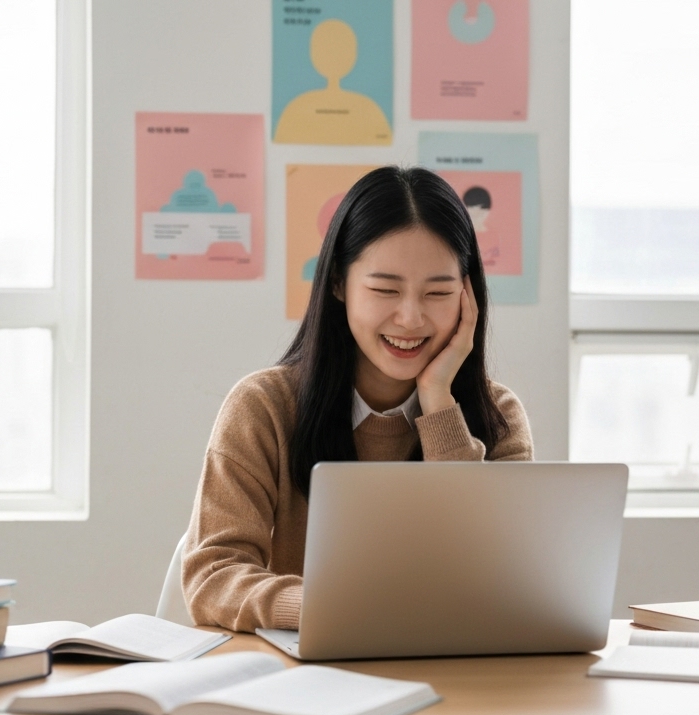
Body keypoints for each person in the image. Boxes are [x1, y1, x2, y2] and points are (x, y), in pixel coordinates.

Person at [181, 166, 534, 632]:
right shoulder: (262, 408)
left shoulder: (498, 416)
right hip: (308, 677)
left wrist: (438, 403)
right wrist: (335, 607)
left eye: (438, 292)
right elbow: (212, 577)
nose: (410, 318)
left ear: (469, 297)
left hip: (455, 672)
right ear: (337, 285)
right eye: (385, 289)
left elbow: (502, 574)